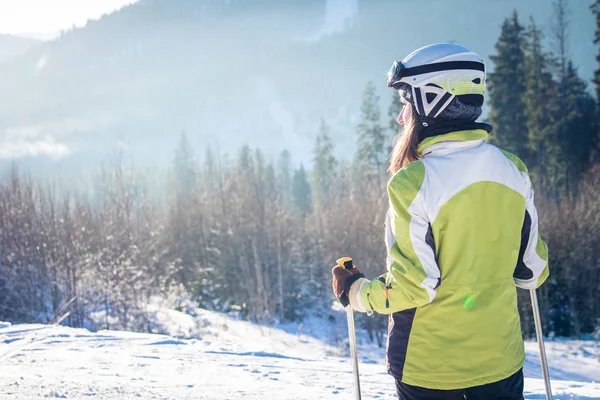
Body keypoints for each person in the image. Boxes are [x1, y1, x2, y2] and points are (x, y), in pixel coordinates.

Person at [331, 43, 549, 400]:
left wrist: (355, 292)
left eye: (406, 103)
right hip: (501, 362)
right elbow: (532, 271)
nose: (402, 118)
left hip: (430, 368)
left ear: (432, 101)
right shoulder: (513, 169)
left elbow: (414, 287)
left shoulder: (413, 182)